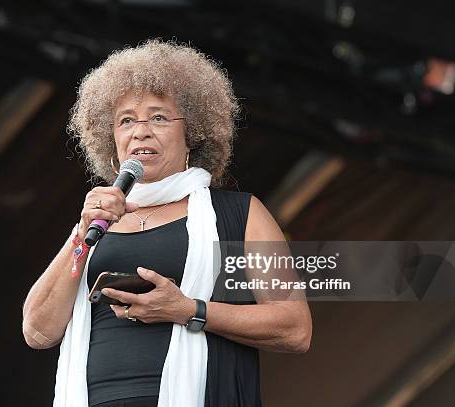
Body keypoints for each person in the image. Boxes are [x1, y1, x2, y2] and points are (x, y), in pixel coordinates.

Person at [22, 39, 312, 407]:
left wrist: (189, 310)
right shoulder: (96, 221)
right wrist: (82, 236)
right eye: (126, 120)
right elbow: (37, 330)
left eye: (158, 117)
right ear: (112, 141)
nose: (140, 131)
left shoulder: (238, 215)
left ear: (192, 134)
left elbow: (294, 328)